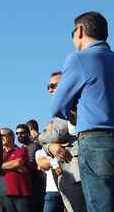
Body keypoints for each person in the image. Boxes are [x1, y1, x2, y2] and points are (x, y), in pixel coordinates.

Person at [51, 11, 114, 212]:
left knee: (102, 206)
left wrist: (73, 113)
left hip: (97, 143)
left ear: (79, 31)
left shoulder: (78, 58)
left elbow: (58, 106)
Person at [38, 72, 84, 212]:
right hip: (66, 174)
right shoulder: (58, 113)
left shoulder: (69, 106)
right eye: (48, 86)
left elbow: (55, 135)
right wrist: (49, 146)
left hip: (77, 174)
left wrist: (44, 137)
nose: (50, 89)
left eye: (53, 85)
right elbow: (51, 141)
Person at [1, 129, 32, 212]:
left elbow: (17, 163)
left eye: (3, 135)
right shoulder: (0, 154)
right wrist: (11, 166)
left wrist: (0, 166)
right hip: (5, 194)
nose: (0, 138)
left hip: (21, 194)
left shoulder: (21, 150)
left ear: (11, 136)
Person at [15, 124, 44, 212]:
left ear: (28, 133)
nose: (19, 136)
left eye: (22, 133)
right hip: (25, 188)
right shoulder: (19, 149)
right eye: (17, 133)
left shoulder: (35, 146)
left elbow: (31, 165)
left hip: (36, 186)